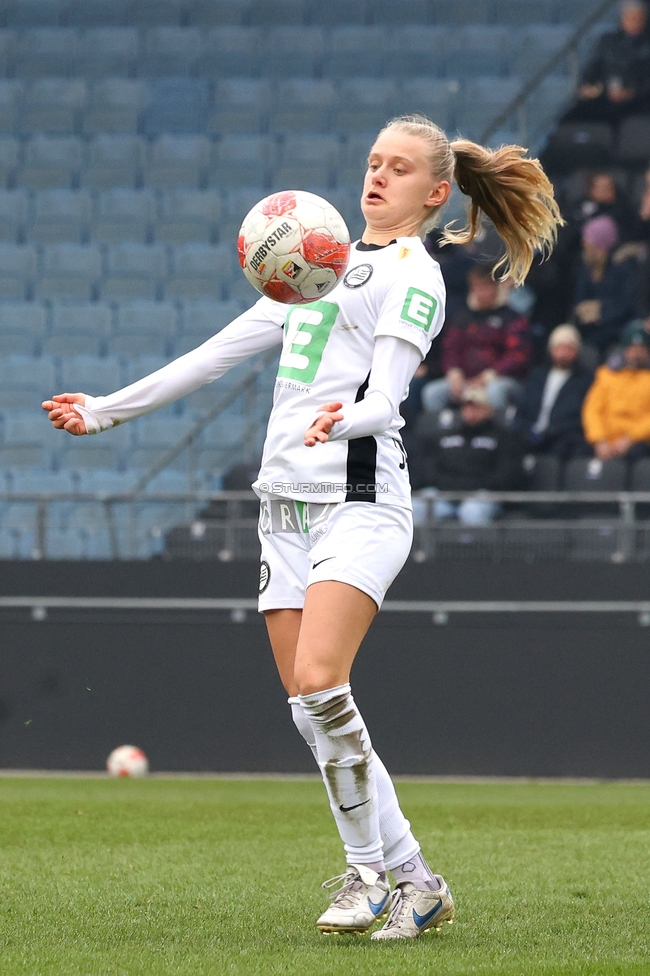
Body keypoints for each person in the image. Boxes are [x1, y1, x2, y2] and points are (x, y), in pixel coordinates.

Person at [42, 115, 562, 940]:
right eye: (372, 161)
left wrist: (344, 420)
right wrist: (105, 411)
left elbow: (388, 398)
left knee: (320, 680)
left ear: (435, 193)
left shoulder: (411, 275)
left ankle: (366, 877)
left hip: (358, 500)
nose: (377, 177)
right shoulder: (313, 266)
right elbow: (214, 354)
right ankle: (416, 881)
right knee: (308, 704)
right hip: (280, 508)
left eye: (398, 169)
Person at [421, 263, 531, 414]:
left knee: (496, 391)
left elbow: (518, 355)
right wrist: (454, 372)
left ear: (496, 287)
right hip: (465, 380)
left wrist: (488, 377)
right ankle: (448, 432)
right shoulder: (463, 317)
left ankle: (497, 434)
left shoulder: (512, 318)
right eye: (476, 287)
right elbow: (450, 347)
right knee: (432, 393)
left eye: (485, 287)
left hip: (499, 379)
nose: (480, 293)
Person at [414, 387, 524, 526]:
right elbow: (430, 468)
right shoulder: (447, 436)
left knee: (472, 511)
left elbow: (506, 474)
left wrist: (472, 486)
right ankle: (419, 548)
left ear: (489, 409)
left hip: (483, 494)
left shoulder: (503, 438)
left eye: (476, 407)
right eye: (466, 407)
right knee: (416, 507)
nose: (470, 412)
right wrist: (449, 486)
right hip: (445, 493)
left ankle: (470, 547)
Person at [513, 324, 593, 459]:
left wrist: (552, 431)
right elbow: (522, 409)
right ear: (551, 350)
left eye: (569, 348)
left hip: (561, 437)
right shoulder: (536, 376)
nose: (564, 353)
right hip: (530, 432)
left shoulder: (585, 380)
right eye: (560, 348)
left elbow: (579, 416)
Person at [564, 1, 650, 123]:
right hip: (605, 95)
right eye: (630, 18)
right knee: (576, 112)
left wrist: (631, 92)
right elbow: (593, 67)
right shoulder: (607, 42)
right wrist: (588, 86)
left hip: (637, 100)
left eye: (637, 19)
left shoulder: (646, 45)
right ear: (622, 19)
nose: (634, 23)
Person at [582, 320, 650, 462]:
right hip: (606, 440)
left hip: (639, 442)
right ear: (624, 350)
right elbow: (592, 409)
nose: (636, 353)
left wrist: (631, 438)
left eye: (641, 349)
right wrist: (599, 440)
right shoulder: (606, 375)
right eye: (632, 348)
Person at [573, 215, 637, 354]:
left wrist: (601, 310)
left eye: (589, 241)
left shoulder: (622, 269)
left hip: (617, 334)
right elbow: (579, 301)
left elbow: (628, 304)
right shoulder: (586, 268)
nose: (584, 244)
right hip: (589, 333)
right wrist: (583, 310)